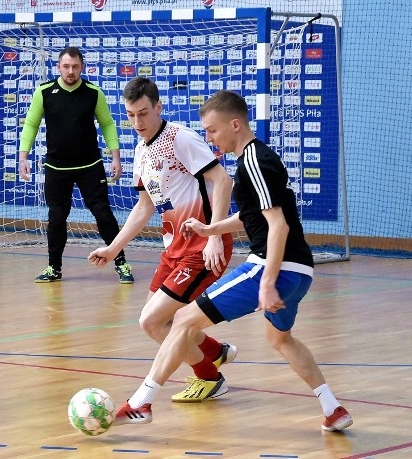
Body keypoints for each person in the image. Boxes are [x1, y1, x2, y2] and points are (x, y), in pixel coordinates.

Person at [111, 90, 352, 432]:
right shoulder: (256, 160)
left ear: (235, 125)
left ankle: (141, 403)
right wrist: (211, 227)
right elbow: (252, 217)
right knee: (280, 339)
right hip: (300, 270)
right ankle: (334, 409)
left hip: (272, 267)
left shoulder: (253, 161)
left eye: (212, 130)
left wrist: (266, 283)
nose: (209, 138)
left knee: (182, 321)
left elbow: (278, 226)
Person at [88, 77, 236, 402]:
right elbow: (144, 207)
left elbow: (222, 180)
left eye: (143, 113)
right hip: (173, 250)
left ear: (158, 107)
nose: (137, 122)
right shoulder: (141, 151)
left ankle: (209, 377)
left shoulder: (181, 138)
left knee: (151, 322)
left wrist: (215, 235)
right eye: (130, 115)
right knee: (161, 320)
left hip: (201, 247)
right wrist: (114, 248)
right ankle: (215, 350)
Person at [18, 46, 133, 284]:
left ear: (82, 67)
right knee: (57, 218)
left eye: (75, 67)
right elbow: (30, 125)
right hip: (57, 168)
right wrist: (23, 158)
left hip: (90, 165)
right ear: (58, 67)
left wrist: (116, 157)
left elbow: (108, 125)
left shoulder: (93, 93)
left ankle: (121, 262)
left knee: (103, 214)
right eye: (66, 66)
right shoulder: (45, 92)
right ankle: (54, 268)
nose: (71, 71)